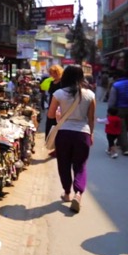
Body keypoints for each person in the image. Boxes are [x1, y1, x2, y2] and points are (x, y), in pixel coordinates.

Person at [47, 65, 96, 213]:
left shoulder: (59, 94)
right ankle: (78, 194)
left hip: (64, 133)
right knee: (80, 165)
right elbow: (91, 118)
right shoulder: (89, 95)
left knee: (64, 164)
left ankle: (67, 193)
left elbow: (50, 115)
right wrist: (91, 134)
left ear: (65, 76)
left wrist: (58, 117)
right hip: (83, 134)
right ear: (81, 77)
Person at [44, 65, 64, 157]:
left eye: (53, 73)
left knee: (58, 128)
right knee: (50, 128)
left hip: (60, 108)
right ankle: (55, 147)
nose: (52, 75)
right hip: (52, 106)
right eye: (51, 73)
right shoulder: (52, 82)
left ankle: (59, 149)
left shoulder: (63, 83)